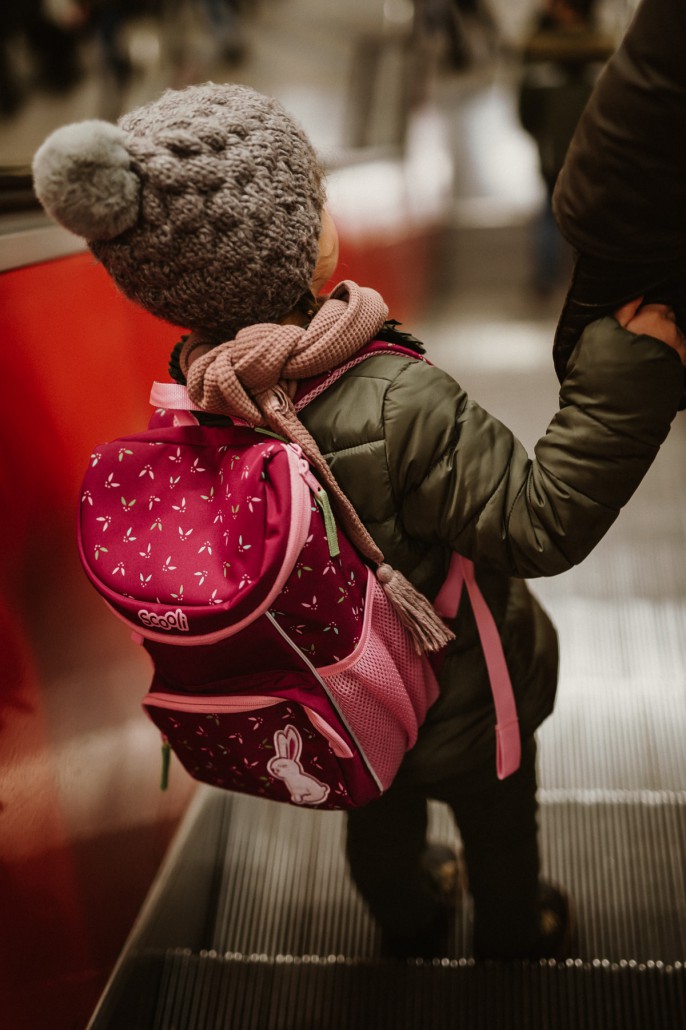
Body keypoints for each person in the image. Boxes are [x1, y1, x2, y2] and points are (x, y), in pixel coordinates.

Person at [31, 82, 686, 961]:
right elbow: (539, 523)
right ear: (302, 248)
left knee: (379, 820)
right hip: (458, 691)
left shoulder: (198, 394)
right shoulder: (392, 396)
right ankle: (511, 936)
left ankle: (409, 919)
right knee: (498, 822)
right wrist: (627, 372)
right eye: (319, 195)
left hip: (338, 709)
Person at [517, 0, 614, 297]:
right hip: (595, 148)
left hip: (554, 149)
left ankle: (546, 280)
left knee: (551, 211)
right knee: (592, 214)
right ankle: (594, 279)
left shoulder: (537, 51)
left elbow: (526, 110)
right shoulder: (603, 48)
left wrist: (542, 134)